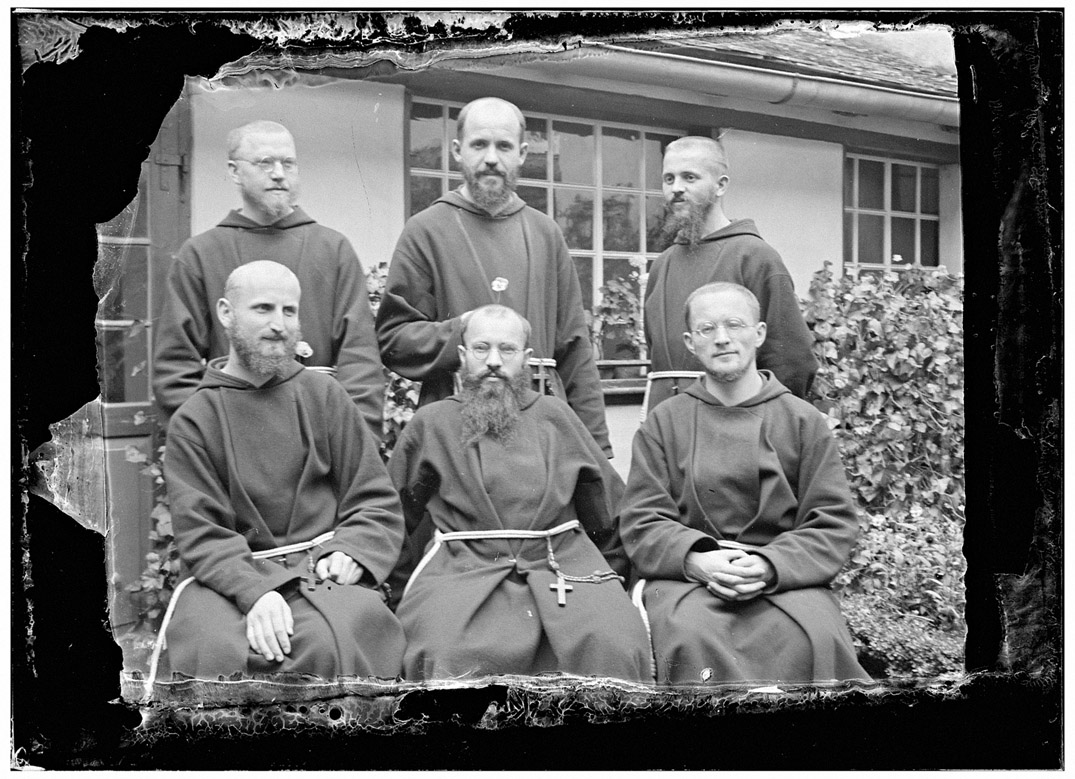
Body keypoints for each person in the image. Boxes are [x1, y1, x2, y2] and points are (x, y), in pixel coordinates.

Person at [156, 261, 405, 681]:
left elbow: (374, 497)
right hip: (230, 577)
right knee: (214, 649)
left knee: (333, 640)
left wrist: (352, 551)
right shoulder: (195, 420)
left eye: (289, 311)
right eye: (263, 308)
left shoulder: (325, 395)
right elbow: (202, 533)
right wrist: (255, 593)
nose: (279, 324)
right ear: (226, 313)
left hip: (320, 570)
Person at [619, 282, 868, 685]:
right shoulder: (664, 423)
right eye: (707, 329)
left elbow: (832, 522)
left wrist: (770, 566)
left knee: (816, 640)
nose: (722, 338)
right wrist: (696, 561)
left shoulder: (803, 421)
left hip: (784, 581)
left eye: (734, 325)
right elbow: (642, 521)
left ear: (759, 333)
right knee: (690, 639)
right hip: (689, 581)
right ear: (690, 342)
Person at [388, 305, 651, 681]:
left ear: (526, 358)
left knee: (615, 643)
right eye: (481, 348)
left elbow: (607, 510)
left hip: (560, 565)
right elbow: (394, 517)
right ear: (462, 355)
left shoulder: (555, 416)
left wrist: (606, 579)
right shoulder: (432, 423)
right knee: (444, 651)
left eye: (507, 349)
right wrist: (400, 592)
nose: (494, 361)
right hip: (463, 569)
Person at [376, 96, 610, 456]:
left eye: (503, 146)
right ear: (457, 150)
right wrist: (464, 330)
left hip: (540, 432)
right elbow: (394, 340)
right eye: (479, 144)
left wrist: (597, 448)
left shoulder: (546, 233)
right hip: (455, 429)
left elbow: (575, 349)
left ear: (522, 153)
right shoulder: (426, 230)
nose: (491, 158)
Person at [153, 120, 384, 439]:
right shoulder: (201, 254)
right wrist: (210, 445)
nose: (278, 173)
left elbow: (360, 362)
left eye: (288, 163)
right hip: (231, 439)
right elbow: (175, 369)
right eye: (265, 162)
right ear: (234, 171)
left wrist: (354, 444)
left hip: (321, 439)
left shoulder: (333, 250)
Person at [643, 135, 817, 412]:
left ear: (721, 185)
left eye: (689, 177)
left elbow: (792, 361)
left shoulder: (755, 257)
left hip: (737, 421)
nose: (676, 189)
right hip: (669, 423)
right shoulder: (662, 265)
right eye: (669, 179)